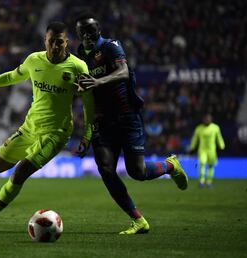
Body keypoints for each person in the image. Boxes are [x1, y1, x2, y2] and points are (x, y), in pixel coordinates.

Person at [0, 21, 94, 232]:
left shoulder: (78, 66)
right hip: (29, 127)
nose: (55, 46)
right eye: (51, 41)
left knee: (19, 173)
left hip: (56, 133)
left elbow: (89, 104)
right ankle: (26, 161)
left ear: (67, 42)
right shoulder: (33, 60)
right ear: (44, 41)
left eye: (60, 42)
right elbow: (10, 77)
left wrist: (87, 136)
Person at [75, 12, 188, 234]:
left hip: (126, 116)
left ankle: (170, 165)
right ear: (78, 34)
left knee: (137, 172)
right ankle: (138, 220)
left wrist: (98, 81)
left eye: (91, 31)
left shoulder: (111, 46)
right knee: (106, 169)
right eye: (82, 33)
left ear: (98, 29)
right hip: (102, 122)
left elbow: (124, 71)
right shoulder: (80, 54)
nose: (88, 36)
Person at [189, 114, 225, 188]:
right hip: (202, 150)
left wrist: (221, 145)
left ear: (211, 120)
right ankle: (201, 181)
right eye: (206, 119)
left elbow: (219, 137)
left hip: (212, 150)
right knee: (202, 163)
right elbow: (195, 139)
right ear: (203, 120)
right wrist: (192, 147)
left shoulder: (215, 128)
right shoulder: (199, 128)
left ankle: (209, 182)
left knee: (211, 166)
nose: (207, 120)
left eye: (208, 119)